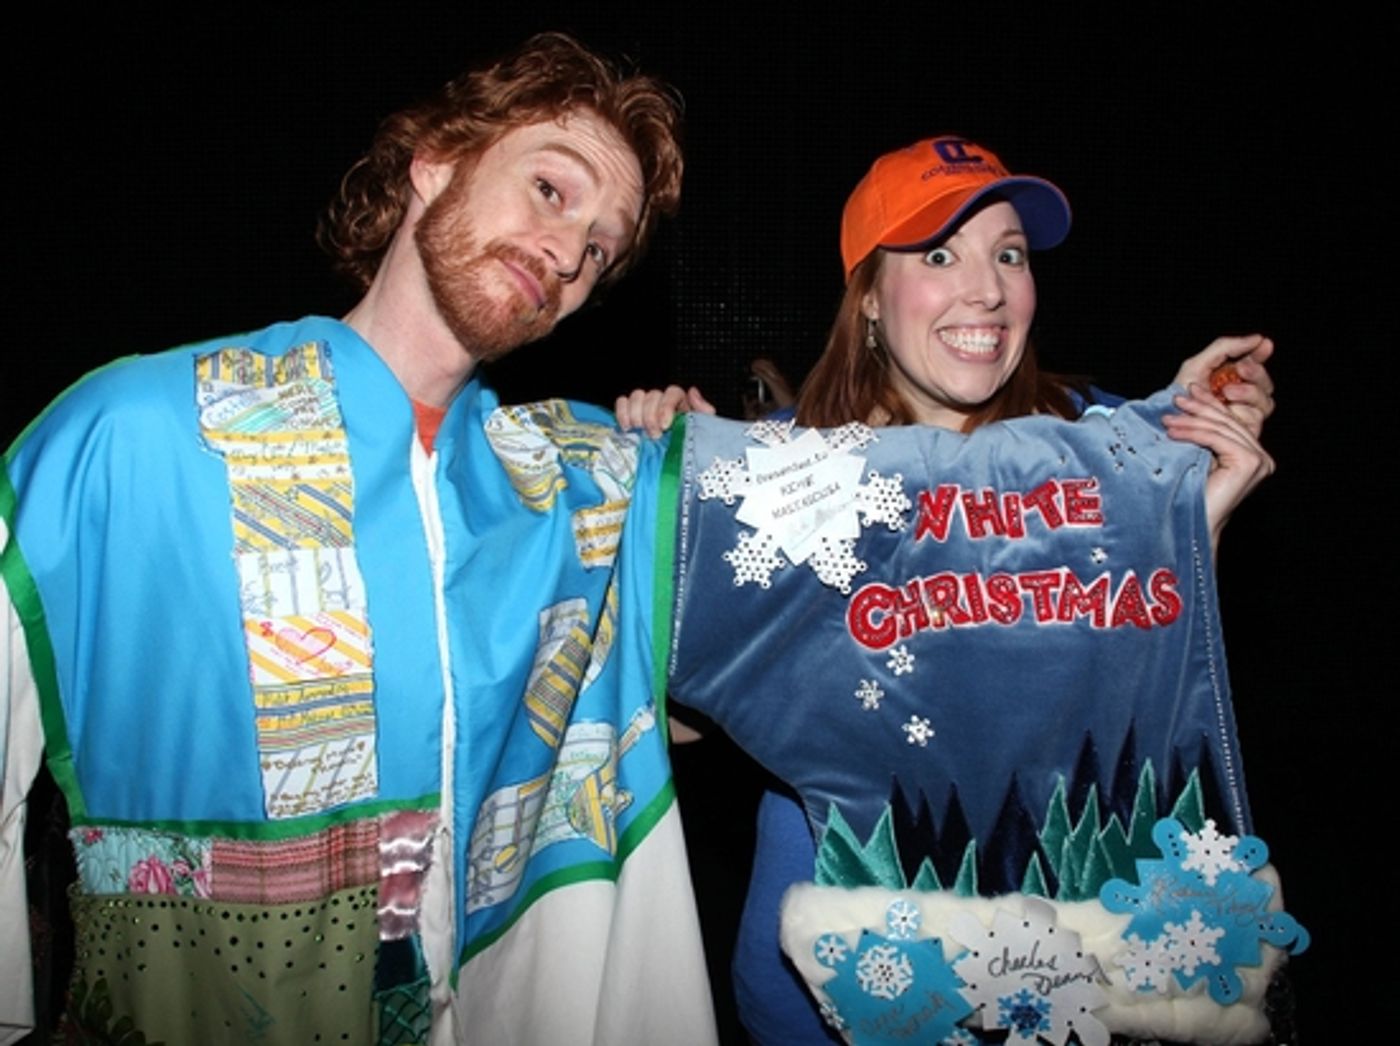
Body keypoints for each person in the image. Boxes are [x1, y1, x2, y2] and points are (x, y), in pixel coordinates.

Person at [0, 33, 719, 1045]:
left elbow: (697, 703)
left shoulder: (564, 490)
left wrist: (700, 490)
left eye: (599, 248)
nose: (567, 256)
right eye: (550, 190)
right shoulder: (138, 434)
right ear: (436, 163)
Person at [620, 135, 1289, 1044]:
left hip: (1068, 974)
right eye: (939, 256)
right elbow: (677, 723)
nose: (987, 290)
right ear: (868, 297)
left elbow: (1140, 680)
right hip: (829, 983)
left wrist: (1194, 512)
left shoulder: (1094, 449)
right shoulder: (790, 466)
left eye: (1008, 255)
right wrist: (679, 527)